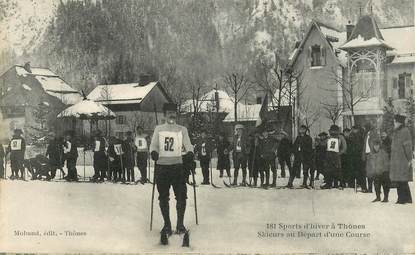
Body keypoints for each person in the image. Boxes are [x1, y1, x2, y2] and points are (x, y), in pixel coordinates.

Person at [149, 103, 194, 240]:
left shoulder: (182, 130)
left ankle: (180, 224)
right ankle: (167, 224)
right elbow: (153, 145)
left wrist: (190, 152)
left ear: (177, 114)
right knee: (163, 197)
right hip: (162, 167)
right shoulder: (159, 129)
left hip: (177, 167)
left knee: (181, 196)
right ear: (164, 114)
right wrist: (154, 153)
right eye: (169, 112)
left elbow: (188, 144)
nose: (171, 115)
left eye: (173, 112)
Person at [390, 114, 413, 204]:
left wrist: (409, 159)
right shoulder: (397, 131)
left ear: (399, 122)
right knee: (400, 180)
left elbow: (408, 146)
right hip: (397, 160)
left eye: (395, 121)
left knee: (402, 180)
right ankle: (407, 199)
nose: (394, 123)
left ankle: (402, 199)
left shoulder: (405, 131)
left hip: (402, 160)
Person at [368, 130, 391, 202]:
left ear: (379, 145)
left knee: (385, 185)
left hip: (384, 172)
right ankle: (378, 197)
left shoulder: (383, 153)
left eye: (377, 145)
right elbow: (370, 164)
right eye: (375, 145)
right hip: (376, 172)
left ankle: (386, 197)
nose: (376, 147)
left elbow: (386, 163)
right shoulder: (371, 154)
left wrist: (384, 171)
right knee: (376, 185)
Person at [321, 125, 347, 189]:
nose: (333, 132)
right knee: (328, 170)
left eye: (334, 131)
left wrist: (339, 153)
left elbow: (344, 147)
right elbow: (324, 144)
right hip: (329, 156)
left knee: (337, 169)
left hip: (336, 156)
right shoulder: (329, 137)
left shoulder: (340, 137)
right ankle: (328, 183)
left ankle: (339, 183)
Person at [349, 125, 367, 192]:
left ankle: (361, 185)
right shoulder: (357, 135)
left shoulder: (357, 136)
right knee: (360, 172)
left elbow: (357, 146)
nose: (353, 131)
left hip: (357, 156)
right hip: (357, 156)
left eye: (354, 129)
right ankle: (361, 186)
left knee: (360, 172)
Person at [362, 122, 377, 193]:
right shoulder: (366, 134)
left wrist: (375, 153)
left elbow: (377, 143)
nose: (364, 129)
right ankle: (370, 189)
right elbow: (365, 146)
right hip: (367, 155)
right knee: (369, 173)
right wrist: (363, 155)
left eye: (365, 127)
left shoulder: (374, 134)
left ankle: (377, 189)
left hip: (372, 155)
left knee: (373, 172)